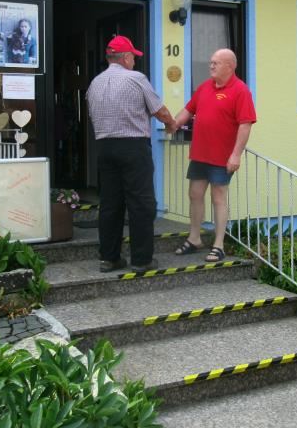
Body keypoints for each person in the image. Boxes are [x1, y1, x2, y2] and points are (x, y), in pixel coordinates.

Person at [86, 35, 176, 273]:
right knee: (141, 203)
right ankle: (142, 260)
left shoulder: (95, 83)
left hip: (104, 148)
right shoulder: (136, 78)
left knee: (110, 204)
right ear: (125, 57)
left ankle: (109, 258)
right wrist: (171, 124)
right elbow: (160, 111)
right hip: (133, 147)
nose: (134, 61)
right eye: (133, 57)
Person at [171, 48, 256, 262]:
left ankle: (219, 245)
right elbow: (188, 110)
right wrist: (173, 123)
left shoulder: (241, 90)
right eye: (211, 62)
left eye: (215, 63)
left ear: (230, 66)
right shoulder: (204, 87)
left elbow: (245, 125)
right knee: (195, 193)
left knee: (218, 197)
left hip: (222, 156)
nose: (211, 66)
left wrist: (236, 155)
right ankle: (194, 238)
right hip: (200, 154)